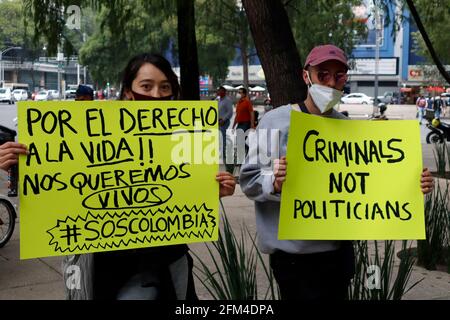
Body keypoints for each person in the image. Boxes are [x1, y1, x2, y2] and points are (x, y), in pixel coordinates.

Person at [0, 53, 236, 300]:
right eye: (146, 86)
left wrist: (213, 189)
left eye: (165, 87)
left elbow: (186, 188)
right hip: (110, 271)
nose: (156, 95)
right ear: (128, 92)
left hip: (169, 266)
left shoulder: (187, 135)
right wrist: (15, 163)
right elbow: (58, 189)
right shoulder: (88, 134)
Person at [239, 44, 435, 300]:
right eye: (323, 74)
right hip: (294, 259)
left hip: (338, 256)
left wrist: (412, 183)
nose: (331, 82)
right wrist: (274, 184)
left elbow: (367, 184)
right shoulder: (275, 121)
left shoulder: (348, 128)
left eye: (339, 75)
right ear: (306, 75)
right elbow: (249, 180)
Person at [216, 86, 234, 173]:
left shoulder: (227, 100)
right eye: (218, 90)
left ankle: (228, 162)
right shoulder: (219, 100)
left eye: (220, 91)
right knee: (220, 140)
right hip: (218, 123)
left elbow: (230, 112)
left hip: (223, 123)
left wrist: (224, 119)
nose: (218, 92)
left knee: (223, 141)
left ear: (224, 92)